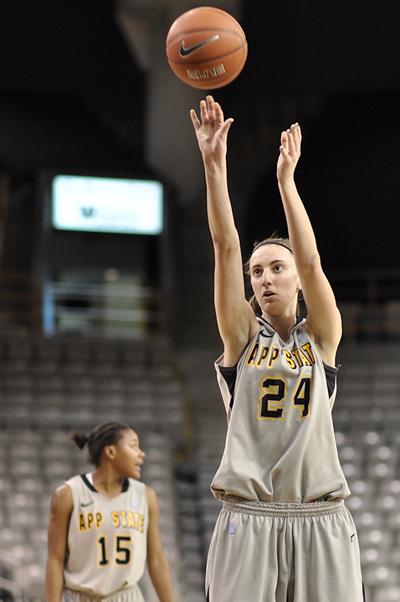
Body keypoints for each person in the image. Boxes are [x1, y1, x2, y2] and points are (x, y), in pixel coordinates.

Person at [190, 96, 365, 602]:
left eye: (275, 267)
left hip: (321, 516)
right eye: (257, 271)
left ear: (296, 281)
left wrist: (287, 184)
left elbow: (310, 261)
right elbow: (224, 245)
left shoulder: (321, 337)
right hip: (250, 517)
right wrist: (213, 165)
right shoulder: (241, 337)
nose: (265, 277)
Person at [45, 422, 175, 602]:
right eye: (134, 446)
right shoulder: (68, 494)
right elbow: (55, 559)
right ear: (111, 452)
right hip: (79, 596)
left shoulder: (146, 496)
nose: (142, 454)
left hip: (127, 596)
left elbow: (157, 560)